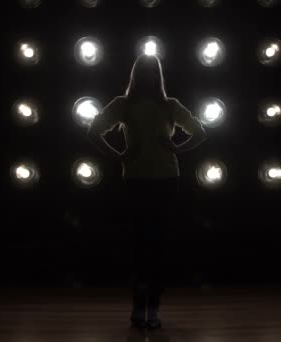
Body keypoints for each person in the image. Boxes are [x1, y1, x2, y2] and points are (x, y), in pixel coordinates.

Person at [87, 55, 207, 330]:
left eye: (154, 71)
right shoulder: (124, 105)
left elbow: (200, 133)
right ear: (136, 74)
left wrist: (178, 149)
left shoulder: (168, 106)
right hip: (139, 180)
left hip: (164, 180)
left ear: (159, 75)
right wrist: (120, 155)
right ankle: (140, 304)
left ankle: (152, 305)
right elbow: (93, 131)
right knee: (140, 244)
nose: (150, 76)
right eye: (145, 71)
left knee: (157, 244)